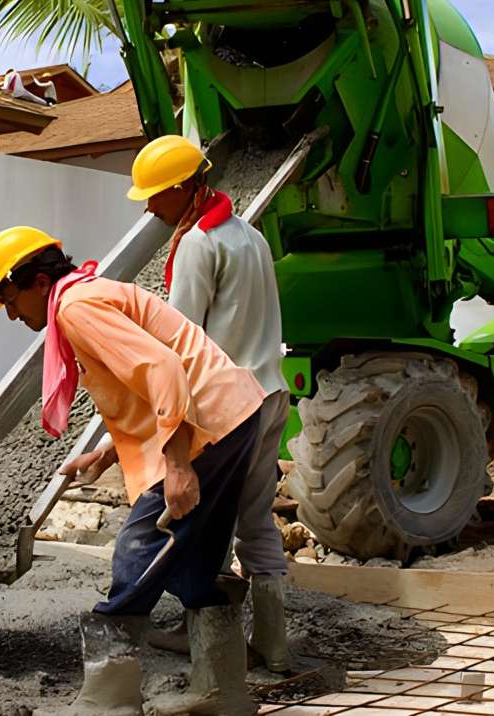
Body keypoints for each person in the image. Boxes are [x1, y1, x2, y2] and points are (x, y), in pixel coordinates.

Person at [0, 227, 265, 715]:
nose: (10, 312)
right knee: (196, 566)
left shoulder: (74, 308)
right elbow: (140, 390)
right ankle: (224, 692)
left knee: (140, 549)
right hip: (229, 414)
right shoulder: (86, 294)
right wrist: (107, 453)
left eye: (10, 297)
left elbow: (164, 370)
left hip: (207, 426)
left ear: (40, 283)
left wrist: (176, 466)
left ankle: (108, 700)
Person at [119, 134, 294, 673]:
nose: (148, 206)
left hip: (228, 409)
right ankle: (274, 642)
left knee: (206, 519)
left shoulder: (198, 243)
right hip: (271, 394)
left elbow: (179, 339)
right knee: (256, 519)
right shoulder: (251, 236)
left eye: (153, 194)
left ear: (181, 187)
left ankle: (207, 641)